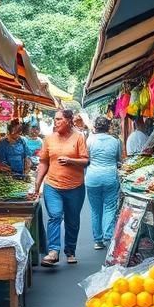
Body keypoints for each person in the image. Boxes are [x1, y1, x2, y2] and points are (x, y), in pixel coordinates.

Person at [30, 108, 89, 267]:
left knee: (72, 220)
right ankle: (53, 251)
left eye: (58, 119)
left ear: (69, 121)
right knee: (55, 216)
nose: (55, 123)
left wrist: (71, 161)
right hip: (53, 185)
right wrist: (37, 184)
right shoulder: (48, 139)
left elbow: (85, 161)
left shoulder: (79, 138)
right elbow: (43, 162)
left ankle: (70, 251)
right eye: (55, 119)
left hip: (75, 187)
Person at [86, 116, 122, 250]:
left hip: (92, 178)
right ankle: (108, 235)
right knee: (110, 207)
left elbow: (86, 159)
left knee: (96, 210)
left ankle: (98, 240)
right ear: (108, 127)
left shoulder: (89, 140)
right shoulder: (115, 141)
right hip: (110, 177)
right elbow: (118, 159)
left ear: (95, 127)